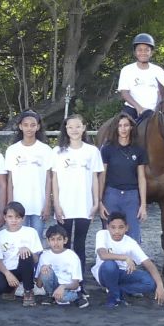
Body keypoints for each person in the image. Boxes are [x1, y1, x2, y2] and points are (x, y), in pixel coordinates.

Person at [50, 114, 104, 277]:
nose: (74, 130)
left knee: (80, 243)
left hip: (84, 205)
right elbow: (55, 180)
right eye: (70, 127)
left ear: (84, 128)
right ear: (65, 129)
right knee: (63, 243)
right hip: (64, 205)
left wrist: (96, 202)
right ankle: (63, 277)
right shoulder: (58, 151)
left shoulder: (92, 151)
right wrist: (56, 205)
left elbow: (95, 178)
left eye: (78, 126)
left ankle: (79, 280)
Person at [92, 213, 164, 307]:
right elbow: (102, 255)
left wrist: (160, 285)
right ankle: (114, 297)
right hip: (104, 273)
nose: (117, 231)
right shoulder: (102, 234)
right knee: (110, 265)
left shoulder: (131, 243)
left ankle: (116, 291)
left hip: (123, 273)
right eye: (113, 227)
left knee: (150, 282)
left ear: (126, 228)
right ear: (107, 227)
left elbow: (148, 263)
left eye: (121, 227)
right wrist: (125, 257)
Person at [99, 113, 148, 242]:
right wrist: (100, 201)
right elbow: (102, 176)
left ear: (131, 127)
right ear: (116, 128)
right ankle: (111, 261)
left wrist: (143, 204)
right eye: (120, 126)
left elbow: (142, 177)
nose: (123, 128)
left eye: (126, 125)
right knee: (111, 233)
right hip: (112, 194)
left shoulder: (139, 150)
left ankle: (131, 261)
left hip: (131, 196)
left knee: (133, 234)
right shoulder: (107, 149)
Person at [3, 112, 53, 237]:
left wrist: (47, 204)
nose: (29, 128)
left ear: (38, 127)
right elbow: (10, 180)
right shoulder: (12, 150)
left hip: (39, 204)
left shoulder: (46, 150)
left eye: (32, 125)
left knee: (37, 240)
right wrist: (10, 205)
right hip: (19, 205)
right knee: (19, 240)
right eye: (25, 125)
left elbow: (48, 179)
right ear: (20, 127)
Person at [0, 202, 42, 304]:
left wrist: (28, 251)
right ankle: (12, 289)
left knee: (25, 253)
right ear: (5, 217)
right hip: (8, 270)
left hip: (25, 269)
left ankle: (28, 290)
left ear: (23, 218)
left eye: (17, 217)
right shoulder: (0, 235)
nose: (14, 220)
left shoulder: (31, 232)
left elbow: (36, 259)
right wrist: (8, 274)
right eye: (10, 217)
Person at [117, 33, 164, 121]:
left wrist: (156, 109)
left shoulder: (158, 71)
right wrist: (139, 108)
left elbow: (162, 93)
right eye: (140, 50)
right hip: (133, 109)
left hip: (155, 110)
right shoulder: (127, 70)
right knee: (123, 127)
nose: (143, 52)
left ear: (151, 52)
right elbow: (124, 93)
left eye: (147, 50)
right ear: (135, 52)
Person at [35, 224, 87, 307]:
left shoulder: (72, 256)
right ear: (48, 241)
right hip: (52, 287)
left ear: (65, 240)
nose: (56, 243)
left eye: (59, 239)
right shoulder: (44, 256)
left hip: (69, 288)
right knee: (45, 270)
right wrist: (42, 271)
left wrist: (63, 287)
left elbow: (75, 284)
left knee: (62, 297)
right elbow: (39, 285)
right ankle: (50, 295)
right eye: (52, 239)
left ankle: (78, 296)